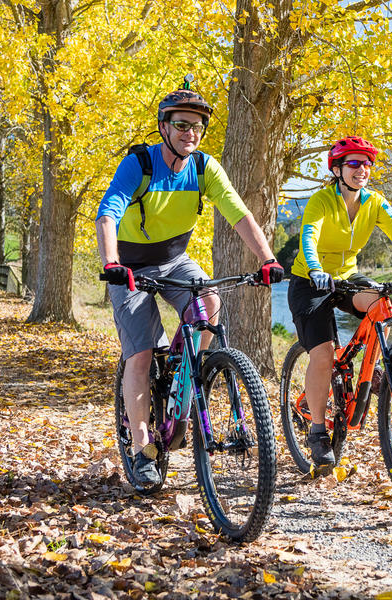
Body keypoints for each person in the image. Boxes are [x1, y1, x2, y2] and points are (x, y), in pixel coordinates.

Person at [96, 78, 283, 488]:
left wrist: (267, 259)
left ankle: (186, 368)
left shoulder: (204, 167)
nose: (190, 133)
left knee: (210, 301)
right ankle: (142, 448)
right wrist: (111, 262)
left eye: (197, 126)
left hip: (175, 259)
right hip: (129, 265)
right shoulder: (139, 165)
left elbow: (240, 215)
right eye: (181, 125)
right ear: (164, 127)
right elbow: (108, 214)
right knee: (141, 355)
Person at [288, 135, 392, 467]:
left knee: (382, 302)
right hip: (310, 281)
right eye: (353, 163)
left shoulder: (374, 202)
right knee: (323, 354)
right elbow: (309, 234)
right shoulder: (322, 200)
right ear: (337, 169)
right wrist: (316, 268)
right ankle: (317, 431)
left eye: (366, 164)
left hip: (346, 278)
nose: (361, 169)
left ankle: (373, 366)